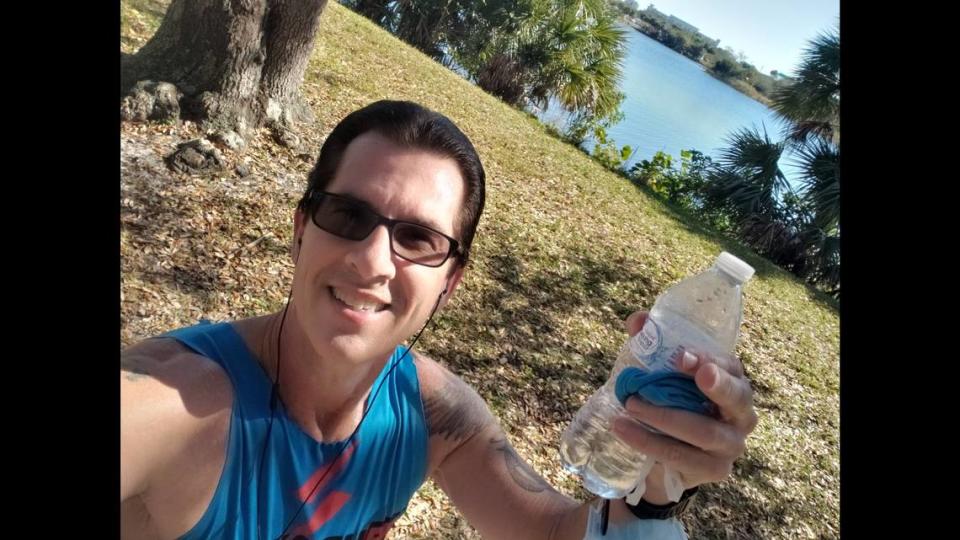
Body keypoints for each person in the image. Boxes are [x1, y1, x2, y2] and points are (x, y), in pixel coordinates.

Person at [121, 100, 758, 539]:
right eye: (347, 216)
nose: (373, 261)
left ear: (449, 282)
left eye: (418, 239)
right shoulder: (173, 406)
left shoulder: (432, 414)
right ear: (300, 229)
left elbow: (556, 530)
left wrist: (655, 489)